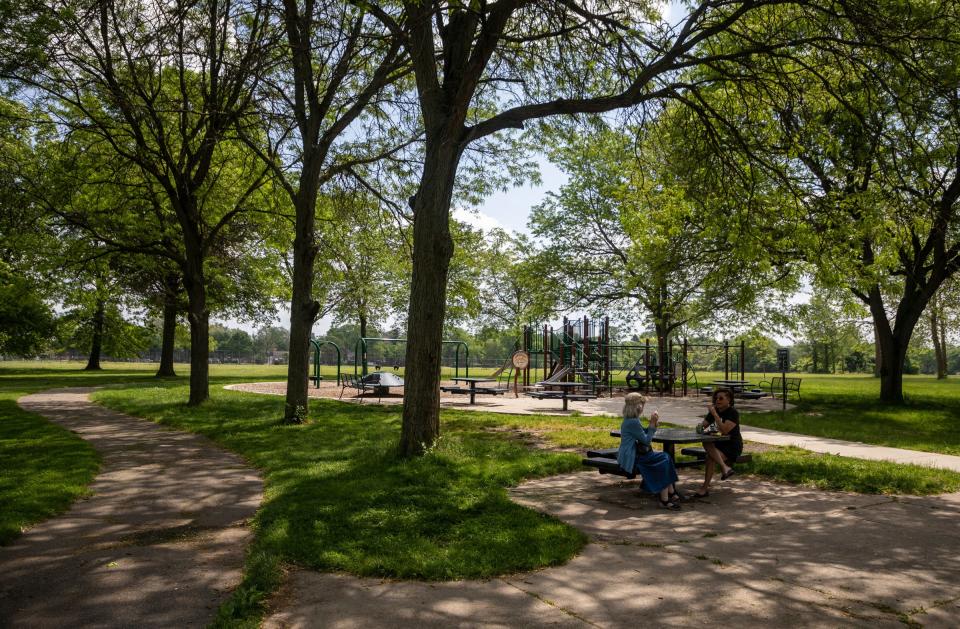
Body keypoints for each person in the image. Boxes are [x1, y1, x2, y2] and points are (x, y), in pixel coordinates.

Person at [617, 392, 682, 509]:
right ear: (638, 406)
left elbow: (643, 435)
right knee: (664, 459)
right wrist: (652, 425)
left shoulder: (631, 419)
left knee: (665, 458)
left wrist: (653, 426)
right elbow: (646, 441)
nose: (643, 408)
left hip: (634, 454)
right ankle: (666, 498)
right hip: (632, 458)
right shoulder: (632, 422)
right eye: (642, 404)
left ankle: (669, 494)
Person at [693, 388, 742, 498]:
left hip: (732, 446)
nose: (717, 400)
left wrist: (715, 415)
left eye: (721, 398)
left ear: (728, 399)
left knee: (710, 457)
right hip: (719, 445)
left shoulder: (733, 412)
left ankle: (704, 488)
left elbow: (725, 431)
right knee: (706, 442)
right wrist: (701, 427)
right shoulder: (714, 410)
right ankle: (725, 468)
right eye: (716, 398)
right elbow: (702, 426)